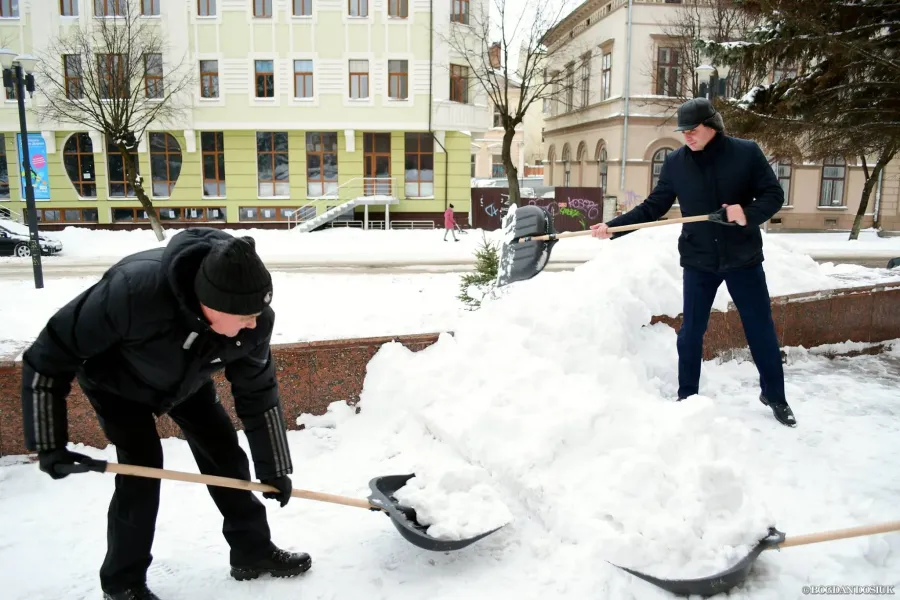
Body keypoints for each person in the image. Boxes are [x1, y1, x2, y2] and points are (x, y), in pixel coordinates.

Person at [21, 228, 310, 600]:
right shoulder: (131, 291)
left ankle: (252, 552)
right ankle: (123, 583)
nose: (255, 323)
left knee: (224, 453)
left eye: (258, 312)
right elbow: (48, 355)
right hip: (117, 386)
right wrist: (49, 444)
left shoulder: (252, 325)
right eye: (245, 315)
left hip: (187, 380)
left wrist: (274, 468)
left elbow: (258, 393)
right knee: (141, 470)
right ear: (211, 304)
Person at [590, 97, 796, 428]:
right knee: (691, 332)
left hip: (743, 258)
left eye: (692, 129)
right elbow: (654, 206)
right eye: (683, 130)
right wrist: (614, 228)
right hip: (699, 259)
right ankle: (687, 397)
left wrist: (746, 213)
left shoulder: (746, 153)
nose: (687, 135)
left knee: (760, 329)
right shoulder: (676, 163)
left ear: (712, 125)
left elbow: (774, 194)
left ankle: (775, 395)